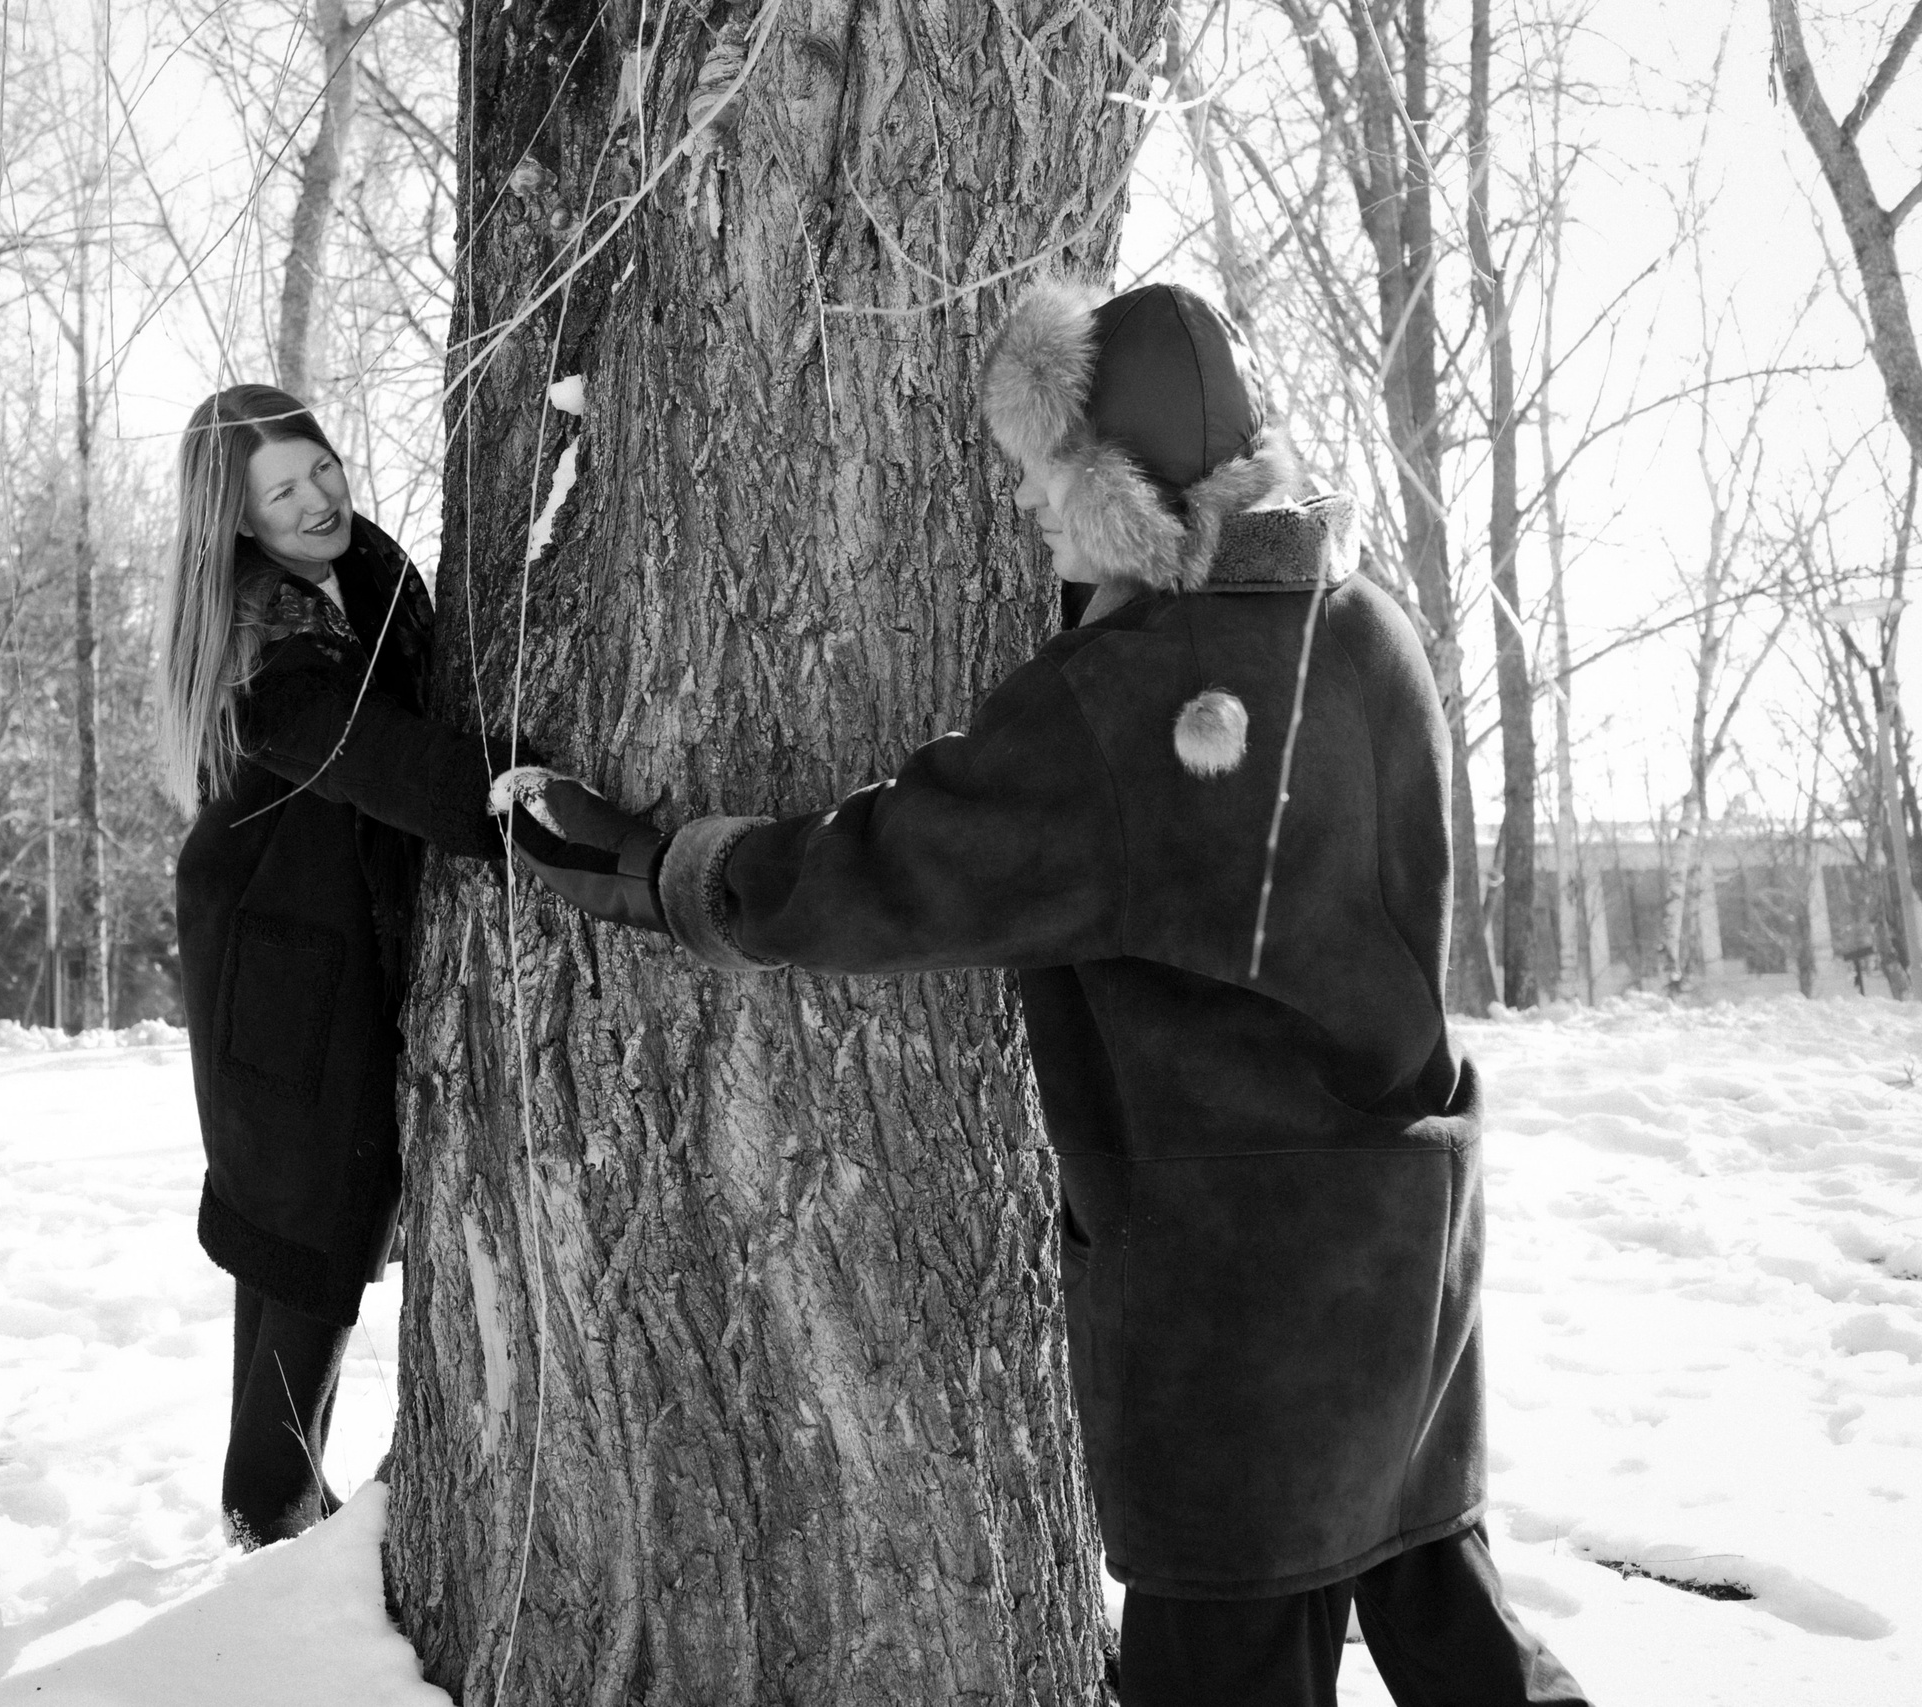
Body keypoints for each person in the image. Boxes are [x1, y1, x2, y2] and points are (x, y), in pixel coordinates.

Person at [493, 281, 1592, 1706]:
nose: (1026, 512)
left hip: (1233, 1283)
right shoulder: (1371, 626)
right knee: (1447, 1610)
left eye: (1040, 479)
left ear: (1105, 488)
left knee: (1229, 1664)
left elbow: (891, 867)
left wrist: (663, 868)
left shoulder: (1131, 693)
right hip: (1404, 1232)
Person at [161, 383, 524, 1547]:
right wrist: (522, 800)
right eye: (282, 491)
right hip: (278, 965)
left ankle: (261, 1491)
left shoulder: (363, 575)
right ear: (238, 521)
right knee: (315, 1225)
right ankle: (271, 1504)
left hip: (308, 940)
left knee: (288, 1234)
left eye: (319, 467)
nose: (317, 498)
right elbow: (373, 757)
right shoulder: (267, 634)